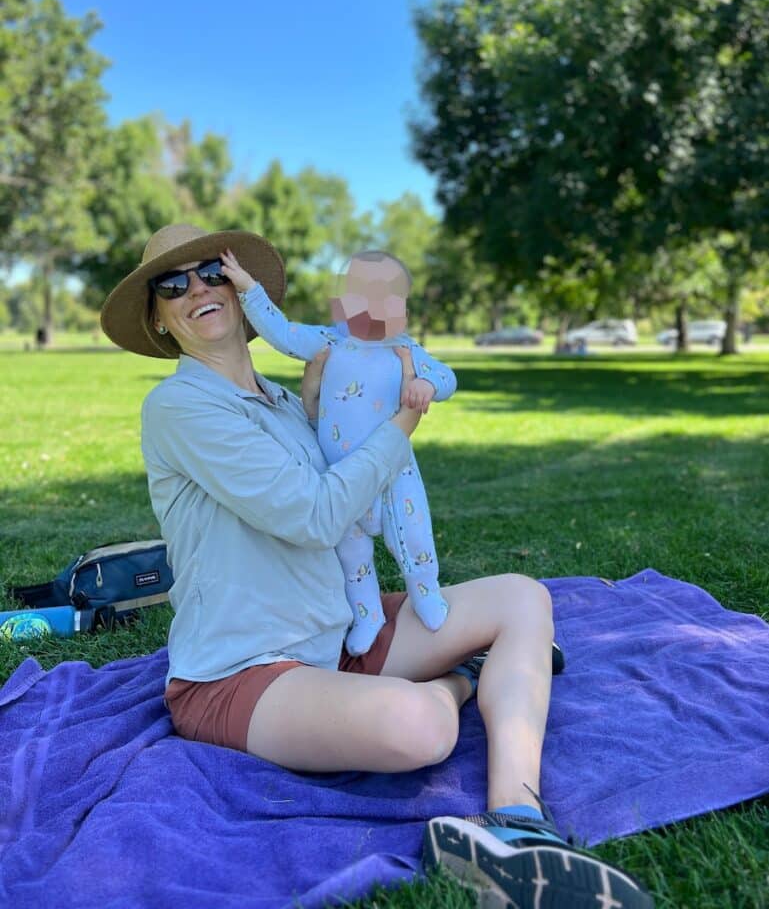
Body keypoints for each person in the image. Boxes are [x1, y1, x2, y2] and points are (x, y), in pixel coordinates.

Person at [100, 223, 653, 909]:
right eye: (171, 285)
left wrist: (320, 405)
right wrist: (400, 427)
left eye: (211, 272)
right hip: (241, 672)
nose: (196, 291)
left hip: (335, 635)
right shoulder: (179, 407)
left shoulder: (284, 398)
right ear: (157, 317)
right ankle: (461, 678)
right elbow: (315, 514)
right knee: (422, 727)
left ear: (241, 290)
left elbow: (350, 496)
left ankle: (516, 821)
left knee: (520, 598)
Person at [219, 246, 454, 655]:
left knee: (413, 538)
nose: (374, 309)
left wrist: (427, 386)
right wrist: (248, 288)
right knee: (350, 555)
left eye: (387, 299)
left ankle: (426, 591)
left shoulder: (405, 350)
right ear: (343, 304)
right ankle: (367, 614)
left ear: (403, 307)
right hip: (340, 480)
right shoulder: (329, 342)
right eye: (361, 297)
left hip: (394, 475)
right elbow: (282, 333)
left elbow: (447, 375)